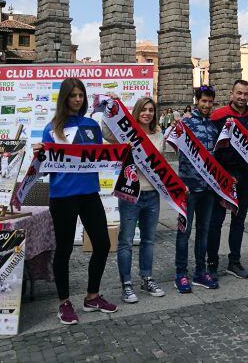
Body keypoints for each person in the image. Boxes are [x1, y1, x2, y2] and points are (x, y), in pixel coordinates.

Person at [33, 77, 117, 325]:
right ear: (65, 98)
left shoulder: (92, 125)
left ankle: (92, 296)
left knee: (102, 244)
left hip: (89, 193)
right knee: (65, 250)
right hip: (62, 196)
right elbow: (46, 168)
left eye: (81, 95)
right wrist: (40, 155)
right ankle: (64, 302)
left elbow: (101, 155)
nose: (78, 99)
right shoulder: (52, 128)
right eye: (73, 95)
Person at [102, 96, 166, 303]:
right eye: (143, 109)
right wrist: (111, 108)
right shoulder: (126, 133)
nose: (147, 113)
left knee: (148, 240)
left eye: (151, 109)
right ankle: (126, 284)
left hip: (152, 194)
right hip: (131, 192)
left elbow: (160, 166)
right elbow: (107, 133)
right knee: (126, 241)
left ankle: (147, 278)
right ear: (137, 111)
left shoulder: (158, 134)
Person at [208, 80, 248, 279]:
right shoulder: (218, 115)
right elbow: (210, 146)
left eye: (245, 94)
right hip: (222, 175)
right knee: (217, 220)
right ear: (231, 94)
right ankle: (212, 263)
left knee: (239, 220)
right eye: (239, 93)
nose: (242, 97)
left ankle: (234, 261)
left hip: (245, 176)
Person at [174, 85, 220, 293]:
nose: (207, 105)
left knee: (204, 232)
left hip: (208, 189)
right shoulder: (184, 124)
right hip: (188, 189)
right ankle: (180, 274)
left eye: (210, 102)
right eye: (204, 101)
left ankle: (200, 272)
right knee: (184, 232)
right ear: (197, 101)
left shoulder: (213, 127)